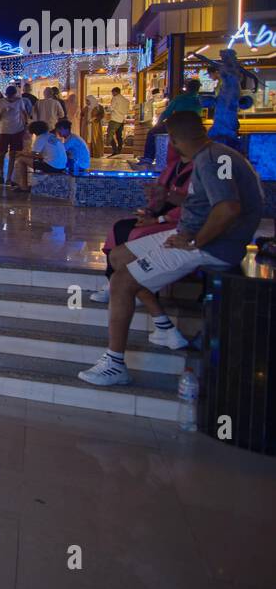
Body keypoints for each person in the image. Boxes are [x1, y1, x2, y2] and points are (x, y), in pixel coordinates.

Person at [80, 111, 264, 386]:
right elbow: (204, 201)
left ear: (175, 140)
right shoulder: (214, 154)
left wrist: (196, 240)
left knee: (121, 282)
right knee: (119, 257)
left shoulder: (211, 161)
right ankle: (164, 326)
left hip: (211, 245)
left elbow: (228, 208)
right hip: (189, 234)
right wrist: (168, 196)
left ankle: (115, 364)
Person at [88, 144, 194, 305]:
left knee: (137, 235)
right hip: (161, 216)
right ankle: (113, 282)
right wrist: (149, 211)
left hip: (179, 221)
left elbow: (194, 205)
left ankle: (137, 287)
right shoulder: (173, 168)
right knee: (120, 228)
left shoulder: (200, 169)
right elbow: (159, 196)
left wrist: (159, 218)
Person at [9, 120, 66, 192]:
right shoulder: (51, 136)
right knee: (28, 159)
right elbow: (41, 154)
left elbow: (34, 154)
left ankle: (24, 187)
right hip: (61, 166)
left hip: (52, 166)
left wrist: (21, 153)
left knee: (21, 159)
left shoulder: (41, 138)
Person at [0, 85, 31, 186]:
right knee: (1, 153)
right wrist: (2, 112)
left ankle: (9, 177)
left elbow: (24, 113)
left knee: (13, 154)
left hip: (18, 130)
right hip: (4, 130)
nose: (11, 99)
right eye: (9, 96)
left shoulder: (19, 101)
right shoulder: (0, 102)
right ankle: (0, 173)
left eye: (12, 96)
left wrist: (26, 126)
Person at [107, 86, 130, 154]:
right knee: (119, 136)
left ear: (115, 92)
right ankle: (119, 150)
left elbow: (111, 108)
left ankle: (115, 150)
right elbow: (126, 111)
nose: (112, 94)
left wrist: (108, 109)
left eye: (112, 92)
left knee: (110, 134)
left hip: (115, 119)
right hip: (122, 120)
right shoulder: (126, 100)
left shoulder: (115, 98)